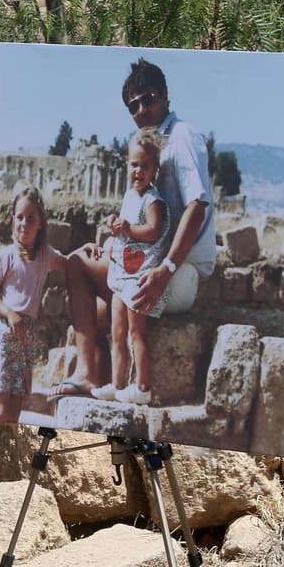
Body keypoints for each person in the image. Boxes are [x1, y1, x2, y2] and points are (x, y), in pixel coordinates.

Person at [53, 58, 216, 398]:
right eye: (133, 105)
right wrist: (112, 247)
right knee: (97, 314)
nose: (141, 110)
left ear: (166, 97)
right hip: (156, 266)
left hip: (178, 273)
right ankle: (101, 382)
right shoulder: (153, 144)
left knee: (76, 266)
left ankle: (87, 375)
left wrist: (166, 270)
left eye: (148, 99)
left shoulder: (181, 136)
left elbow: (197, 207)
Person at [92, 128, 170, 405]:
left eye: (144, 165)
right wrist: (117, 225)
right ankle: (117, 384)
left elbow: (152, 231)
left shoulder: (153, 200)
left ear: (154, 169)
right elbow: (125, 230)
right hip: (122, 273)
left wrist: (128, 228)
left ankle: (143, 387)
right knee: (117, 332)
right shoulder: (129, 196)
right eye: (134, 164)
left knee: (137, 332)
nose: (138, 171)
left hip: (139, 276)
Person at [0, 186, 67, 423]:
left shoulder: (45, 256)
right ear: (13, 220)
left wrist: (87, 251)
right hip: (6, 332)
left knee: (16, 408)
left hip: (28, 337)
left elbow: (69, 262)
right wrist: (10, 314)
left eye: (31, 218)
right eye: (19, 217)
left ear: (40, 222)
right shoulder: (7, 256)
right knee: (1, 407)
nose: (24, 223)